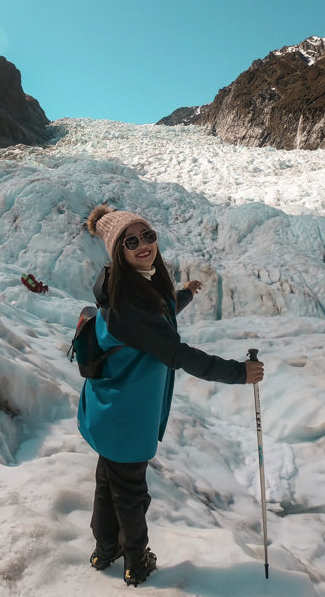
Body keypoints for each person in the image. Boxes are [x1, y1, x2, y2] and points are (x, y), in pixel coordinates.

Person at [77, 204, 265, 587]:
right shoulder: (129, 303)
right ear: (118, 251)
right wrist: (239, 373)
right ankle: (136, 561)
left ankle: (105, 548)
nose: (143, 245)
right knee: (130, 494)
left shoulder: (131, 286)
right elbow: (175, 352)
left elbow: (157, 318)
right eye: (132, 241)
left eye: (148, 235)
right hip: (125, 416)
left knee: (108, 483)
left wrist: (184, 295)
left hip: (109, 409)